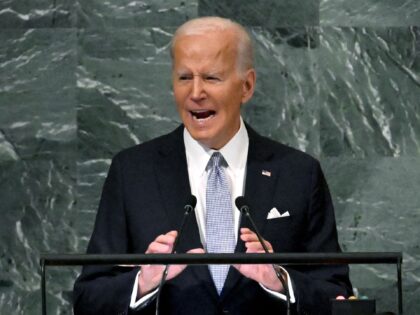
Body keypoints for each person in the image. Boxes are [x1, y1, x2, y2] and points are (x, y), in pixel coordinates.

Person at [73, 17, 352, 315]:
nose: (195, 93)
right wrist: (144, 281)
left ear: (246, 86)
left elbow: (336, 295)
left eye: (211, 78)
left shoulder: (298, 173)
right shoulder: (132, 172)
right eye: (184, 78)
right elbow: (89, 297)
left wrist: (279, 280)